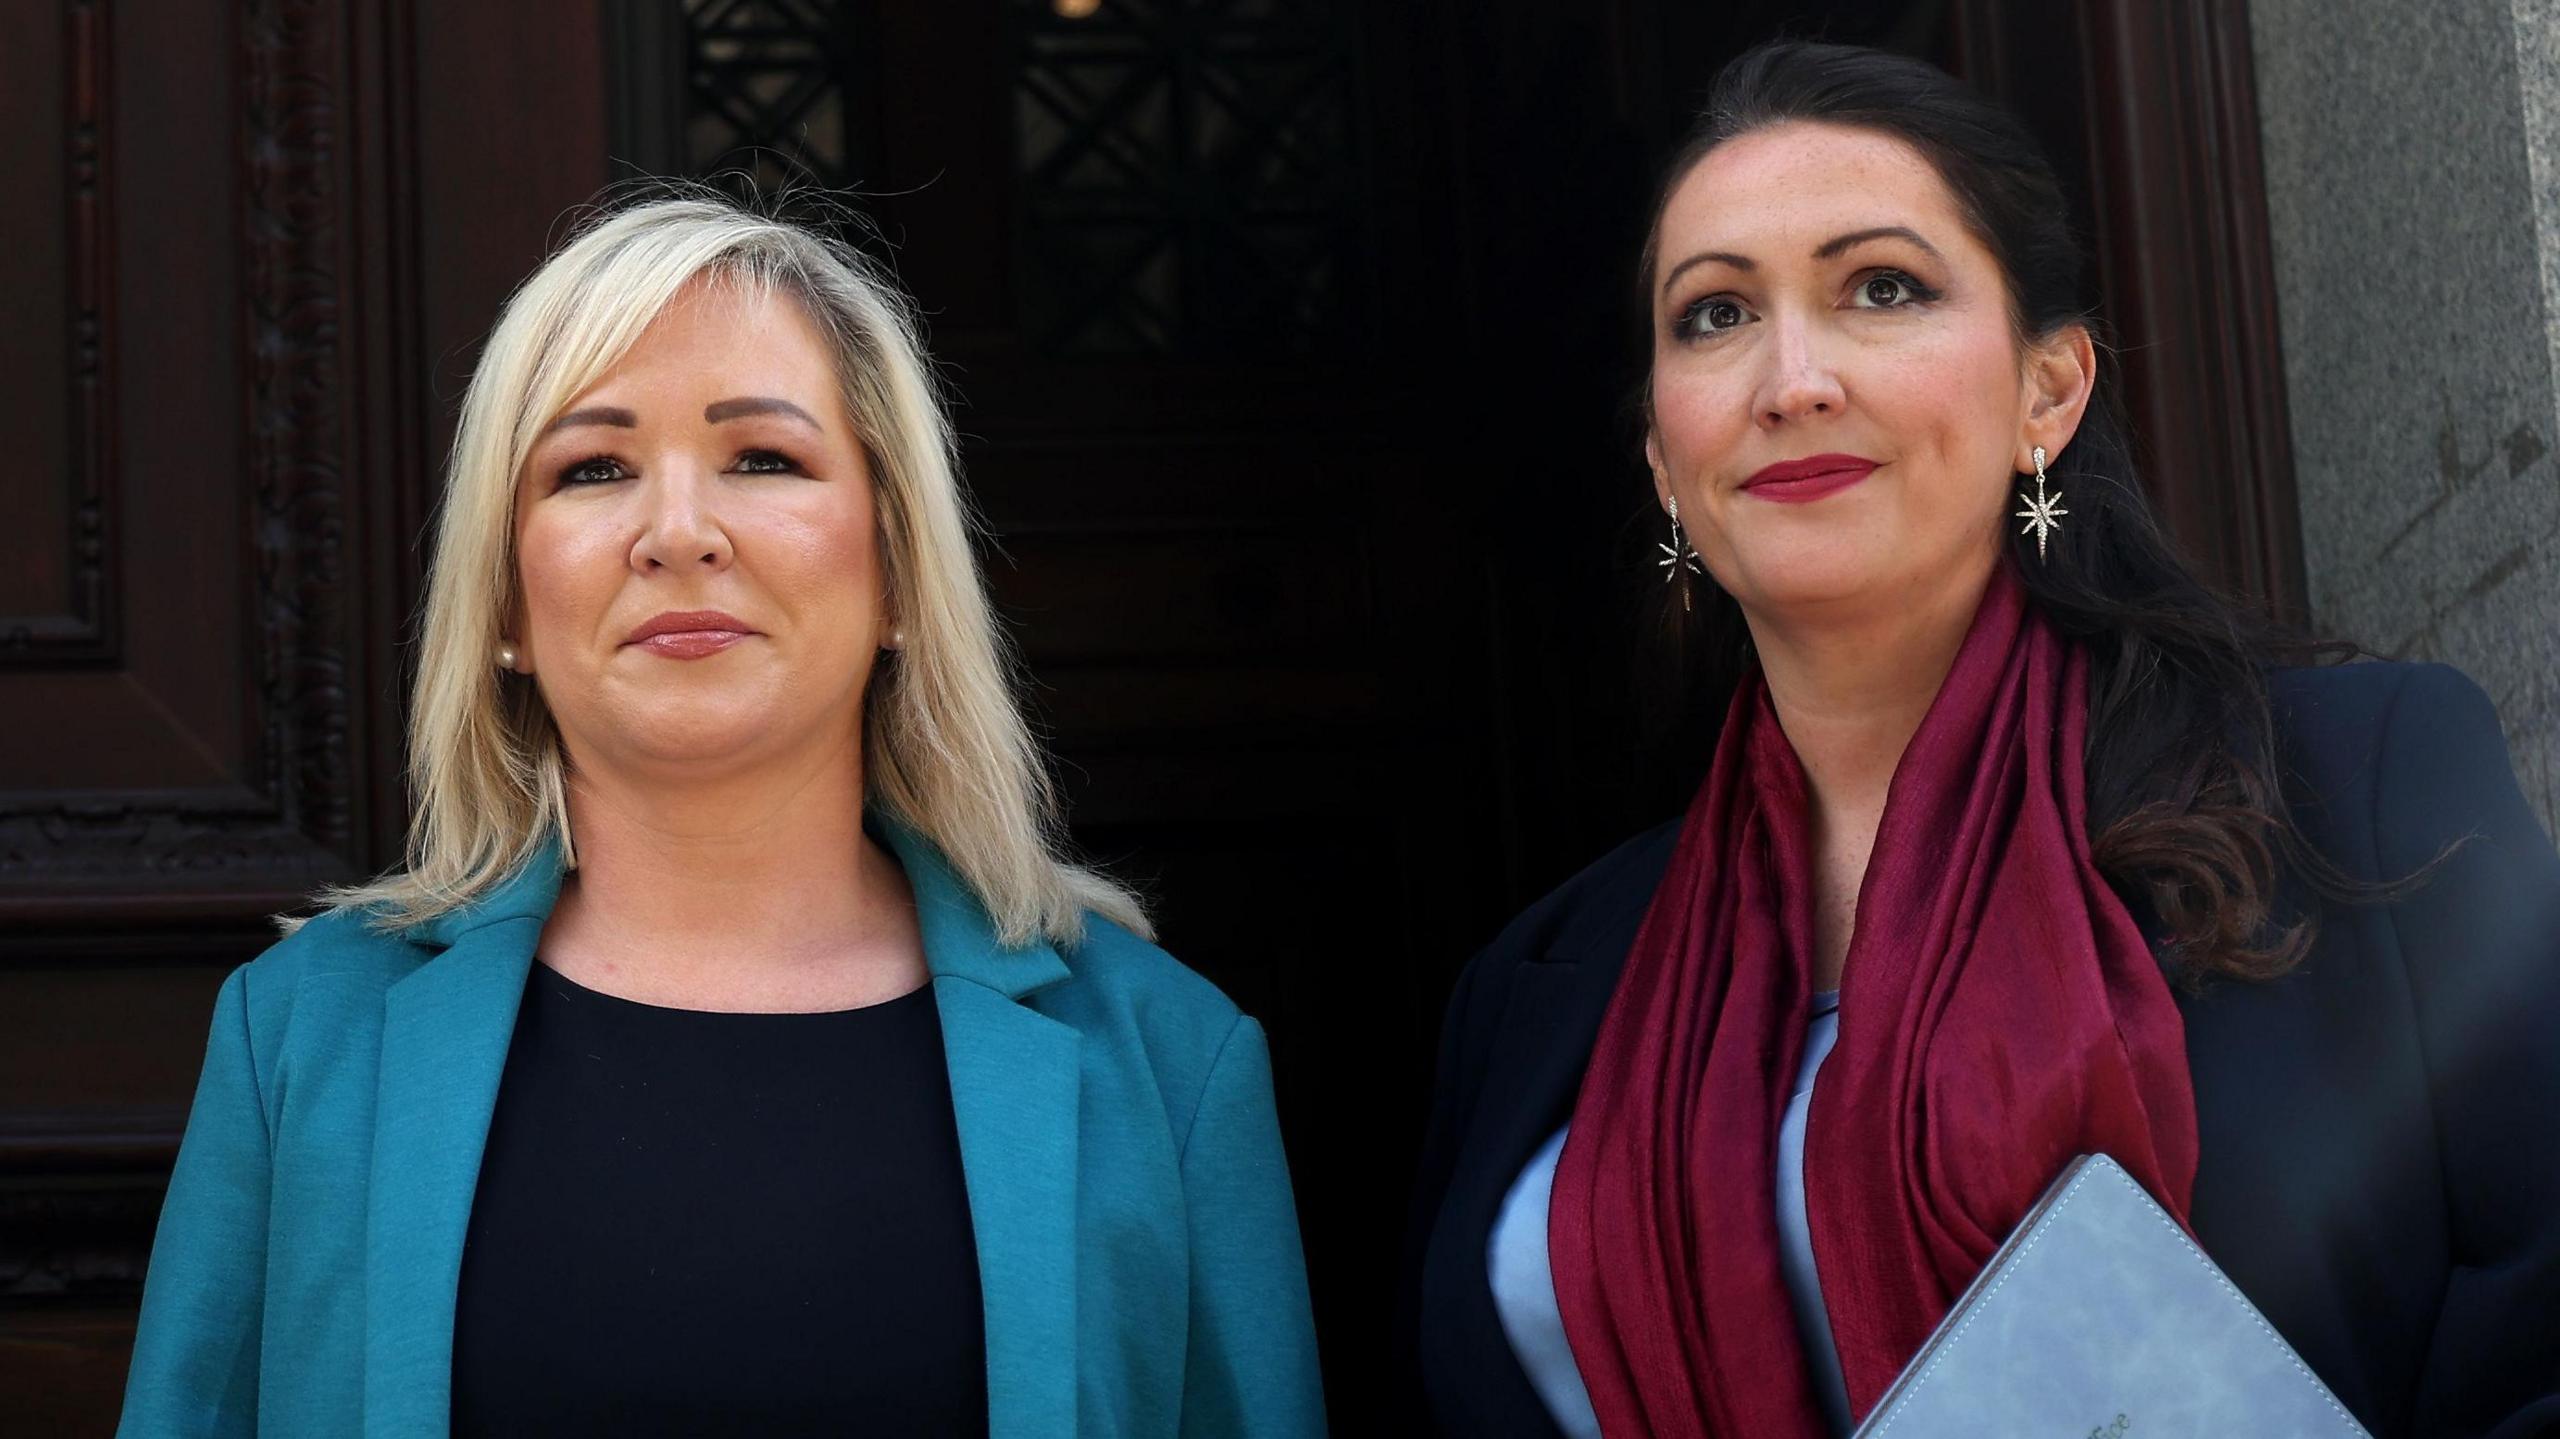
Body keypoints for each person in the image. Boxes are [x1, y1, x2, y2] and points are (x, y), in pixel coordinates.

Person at [1405, 39, 2560, 1439]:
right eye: (1712, 314)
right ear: (1663, 453)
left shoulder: (2360, 788)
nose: (1793, 376)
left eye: (1880, 288)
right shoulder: (1527, 991)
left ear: (2049, 390)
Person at [118, 194, 1326, 1438]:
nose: (679, 533)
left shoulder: (1168, 1062)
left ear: (899, 568)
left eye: (763, 458)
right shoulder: (302, 1040)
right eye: (593, 468)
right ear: (504, 607)